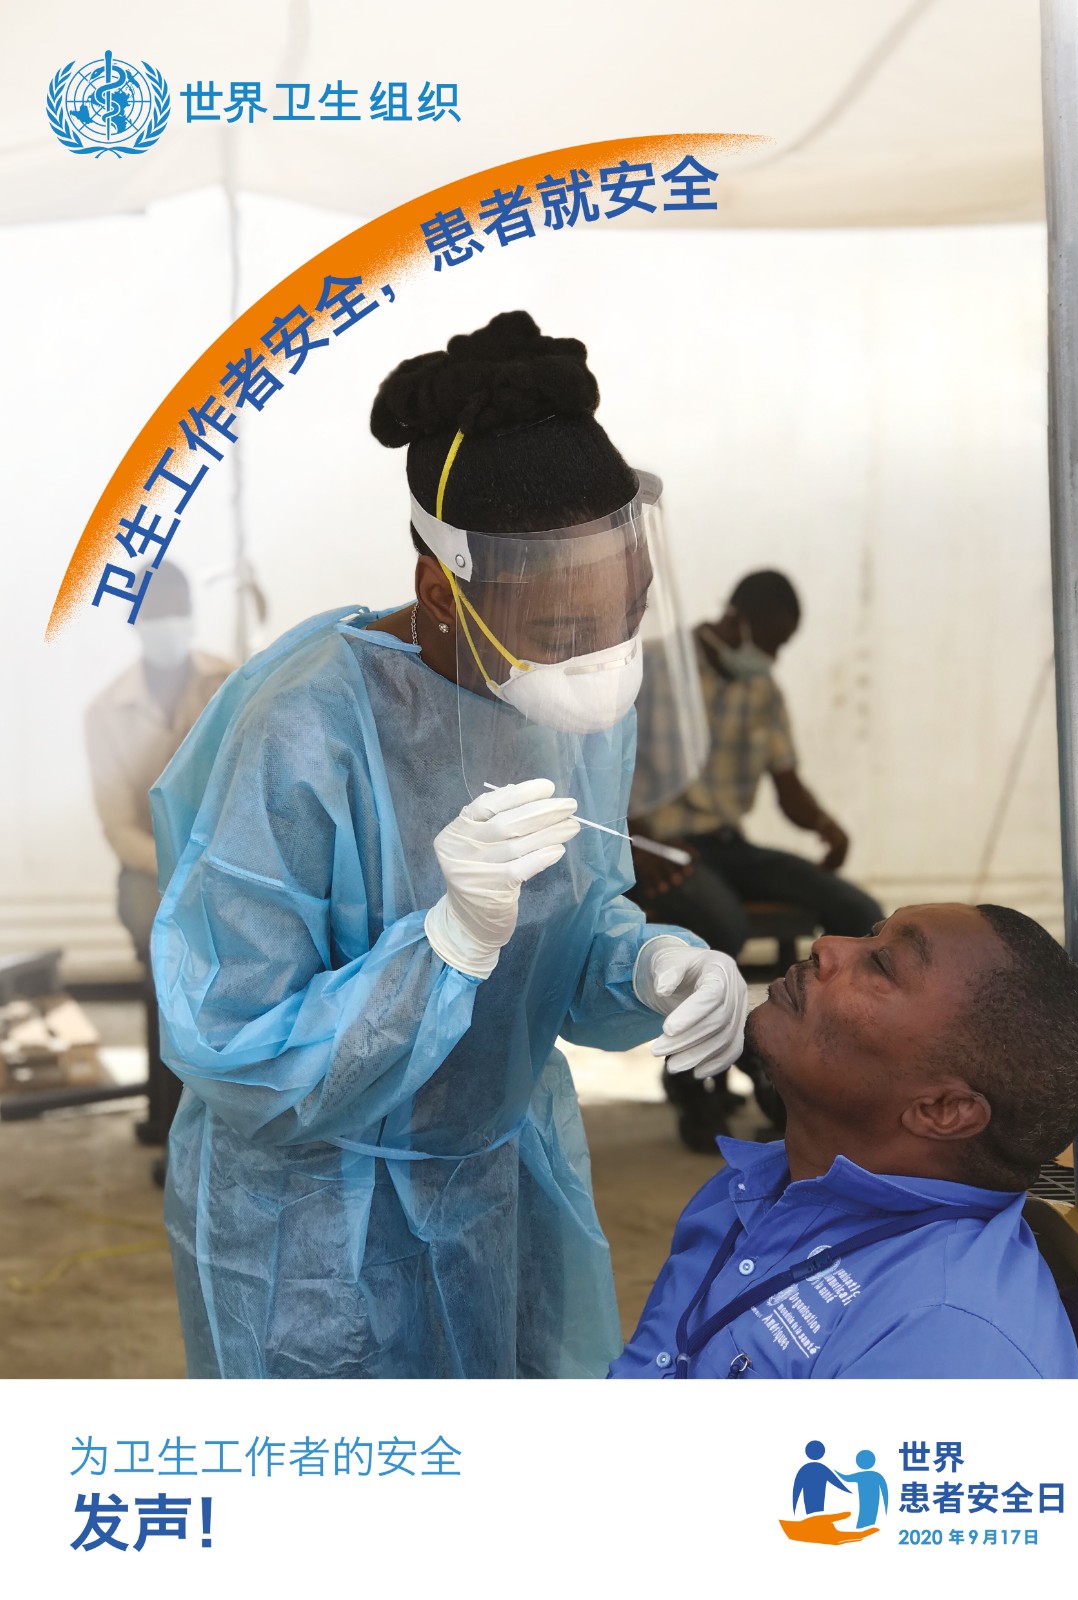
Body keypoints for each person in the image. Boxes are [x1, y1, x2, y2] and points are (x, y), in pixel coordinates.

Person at [150, 311, 747, 1380]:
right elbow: (237, 1045)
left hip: (500, 1180)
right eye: (564, 634)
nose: (604, 663)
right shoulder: (305, 732)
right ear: (441, 592)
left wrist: (649, 962)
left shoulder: (560, 708)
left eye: (628, 616)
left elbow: (574, 916)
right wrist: (446, 946)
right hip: (319, 1228)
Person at [608, 902, 1078, 1378]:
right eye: (872, 935)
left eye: (881, 965)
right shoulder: (754, 1184)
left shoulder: (944, 1341)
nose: (826, 945)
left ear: (942, 1110)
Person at [629, 570, 884, 1151]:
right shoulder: (654, 668)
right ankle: (694, 1080)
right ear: (739, 618)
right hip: (658, 848)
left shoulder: (762, 688)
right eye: (770, 640)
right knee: (719, 928)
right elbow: (598, 766)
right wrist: (634, 840)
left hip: (727, 844)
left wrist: (825, 826)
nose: (772, 654)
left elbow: (787, 784)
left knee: (859, 912)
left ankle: (822, 1071)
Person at [84, 561, 231, 1153]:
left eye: (175, 611)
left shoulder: (229, 681)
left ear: (190, 616)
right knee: (164, 948)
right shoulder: (104, 713)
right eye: (154, 613)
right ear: (135, 622)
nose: (166, 623)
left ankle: (221, 1107)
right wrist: (176, 869)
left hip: (225, 857)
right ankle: (173, 1122)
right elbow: (117, 827)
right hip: (151, 869)